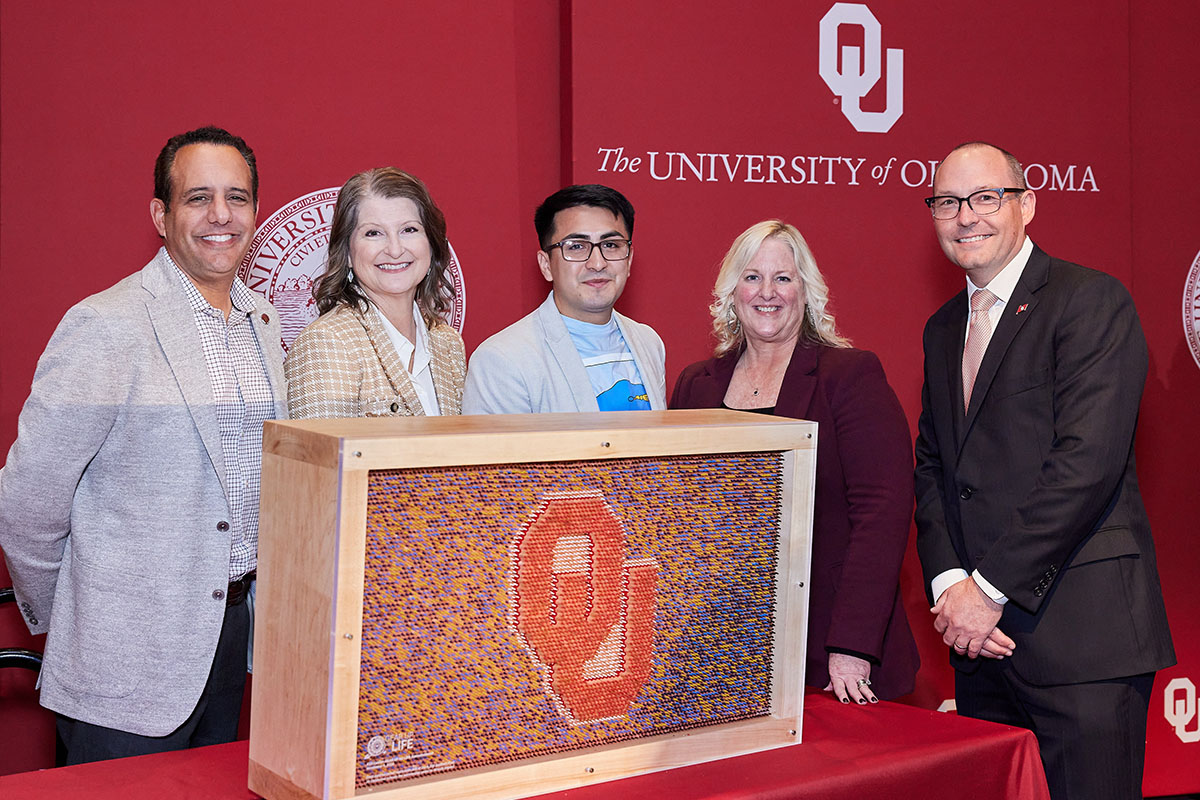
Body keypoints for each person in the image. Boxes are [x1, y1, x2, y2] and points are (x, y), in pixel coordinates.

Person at [0, 126, 286, 763]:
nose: (221, 215)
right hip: (120, 660)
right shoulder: (108, 325)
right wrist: (85, 616)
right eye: (198, 198)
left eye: (237, 197)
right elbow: (27, 500)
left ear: (256, 212)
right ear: (160, 214)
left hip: (229, 641)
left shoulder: (263, 322)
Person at [914, 142, 1174, 799]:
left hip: (1080, 641)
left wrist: (988, 590)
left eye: (985, 198)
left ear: (1026, 205)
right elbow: (935, 467)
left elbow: (1086, 463)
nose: (965, 216)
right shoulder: (943, 327)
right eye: (947, 202)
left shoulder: (1089, 302)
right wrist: (951, 587)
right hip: (980, 648)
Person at [671, 220, 918, 704]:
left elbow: (882, 514)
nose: (768, 292)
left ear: (807, 292)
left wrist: (850, 645)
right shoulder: (695, 384)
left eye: (783, 278)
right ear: (731, 292)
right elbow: (678, 519)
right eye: (752, 277)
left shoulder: (848, 376)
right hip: (719, 648)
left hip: (830, 649)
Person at [462, 184, 665, 414]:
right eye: (577, 246)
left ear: (628, 261)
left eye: (611, 245)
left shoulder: (649, 343)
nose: (597, 263)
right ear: (546, 265)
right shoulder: (502, 360)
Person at [285, 168, 465, 419]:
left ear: (432, 244)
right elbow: (324, 458)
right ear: (347, 253)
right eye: (373, 233)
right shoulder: (327, 343)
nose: (394, 249)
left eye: (409, 230)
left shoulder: (448, 344)